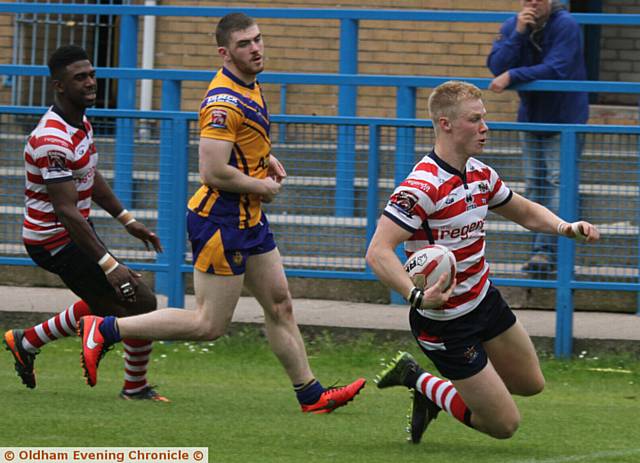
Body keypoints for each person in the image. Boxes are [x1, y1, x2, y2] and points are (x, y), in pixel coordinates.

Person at [77, 13, 365, 413]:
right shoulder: (222, 101)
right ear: (224, 52)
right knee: (208, 325)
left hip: (249, 220)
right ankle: (106, 329)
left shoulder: (250, 85)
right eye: (245, 43)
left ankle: (310, 395)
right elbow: (212, 170)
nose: (256, 48)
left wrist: (266, 159)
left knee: (280, 304)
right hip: (221, 221)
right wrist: (261, 185)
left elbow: (240, 145)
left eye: (258, 39)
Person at [365, 81, 599, 443]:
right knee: (504, 425)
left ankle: (444, 389)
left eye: (484, 118)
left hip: (484, 301)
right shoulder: (421, 187)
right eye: (475, 120)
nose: (485, 127)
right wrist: (415, 296)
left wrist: (565, 227)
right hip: (445, 323)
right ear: (445, 124)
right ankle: (419, 380)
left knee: (531, 384)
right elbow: (377, 251)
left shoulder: (480, 174)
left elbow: (525, 212)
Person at [2, 45, 169, 401]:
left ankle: (26, 341)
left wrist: (127, 220)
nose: (90, 83)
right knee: (140, 304)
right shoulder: (50, 140)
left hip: (73, 233)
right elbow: (65, 210)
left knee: (111, 302)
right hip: (53, 240)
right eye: (80, 78)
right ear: (59, 86)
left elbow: (89, 176)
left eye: (91, 75)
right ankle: (134, 388)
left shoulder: (80, 122)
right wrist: (109, 265)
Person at [486, 0, 589, 278]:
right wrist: (518, 33)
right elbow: (496, 65)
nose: (533, 3)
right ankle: (540, 250)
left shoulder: (565, 25)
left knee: (559, 182)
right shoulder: (513, 24)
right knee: (534, 184)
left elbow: (558, 68)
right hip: (532, 118)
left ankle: (551, 252)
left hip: (565, 119)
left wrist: (513, 75)